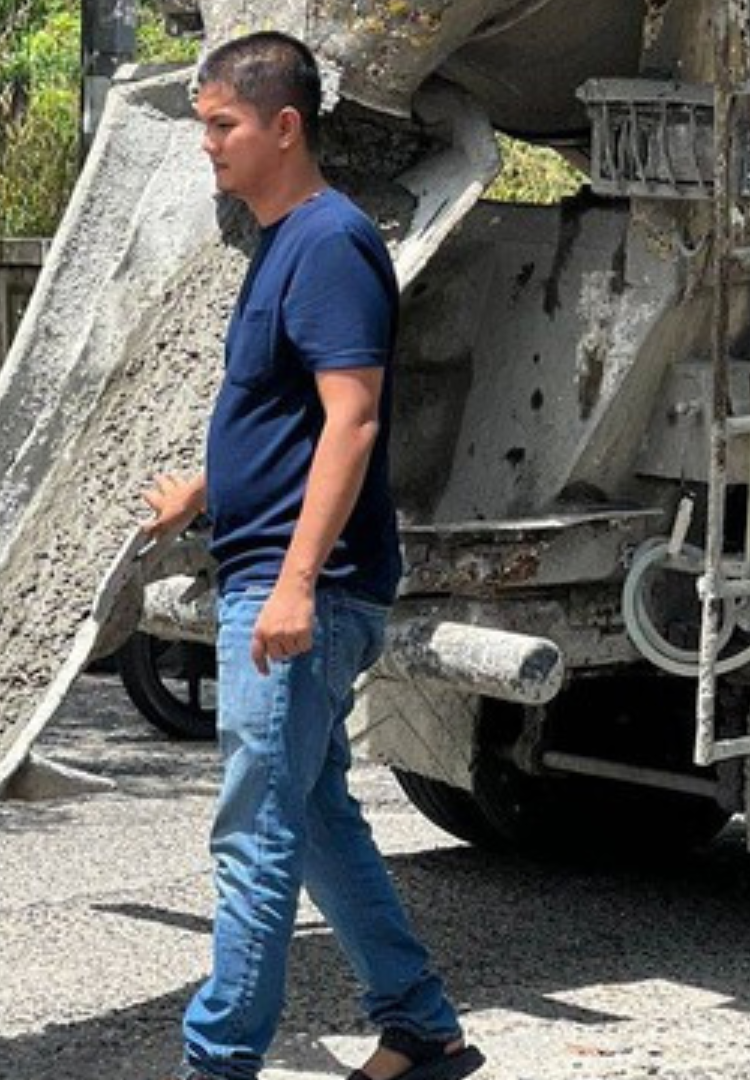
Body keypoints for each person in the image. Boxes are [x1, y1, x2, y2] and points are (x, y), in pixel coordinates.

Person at [140, 30, 486, 1080]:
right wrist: (200, 490)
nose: (208, 146)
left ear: (283, 127)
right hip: (272, 575)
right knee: (317, 813)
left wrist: (292, 582)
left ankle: (217, 1063)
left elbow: (352, 421)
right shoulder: (276, 242)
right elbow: (281, 409)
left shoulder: (330, 242)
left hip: (302, 591)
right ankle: (420, 1029)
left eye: (222, 126)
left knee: (254, 839)